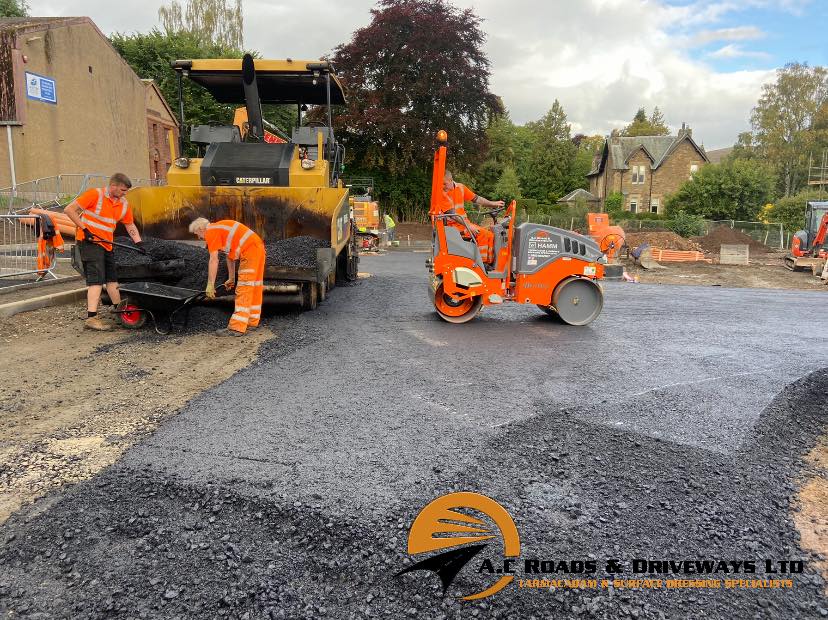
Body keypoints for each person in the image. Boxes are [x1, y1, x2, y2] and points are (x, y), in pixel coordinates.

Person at [64, 173, 143, 331]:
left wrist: (139, 242)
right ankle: (92, 318)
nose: (124, 193)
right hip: (89, 242)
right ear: (113, 186)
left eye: (126, 191)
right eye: (122, 190)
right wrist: (85, 229)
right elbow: (69, 210)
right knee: (96, 281)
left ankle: (119, 310)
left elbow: (130, 225)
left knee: (112, 279)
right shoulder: (95, 194)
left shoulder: (123, 203)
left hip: (106, 244)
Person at [189, 217, 266, 337]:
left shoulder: (211, 231)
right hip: (257, 247)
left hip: (250, 250)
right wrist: (232, 278)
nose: (199, 238)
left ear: (201, 229)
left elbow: (213, 260)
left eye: (197, 234)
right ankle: (251, 322)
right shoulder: (220, 230)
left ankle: (237, 327)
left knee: (244, 287)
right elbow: (230, 257)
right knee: (254, 286)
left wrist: (210, 285)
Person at [440, 170, 504, 263]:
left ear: (451, 180)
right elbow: (454, 216)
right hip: (453, 228)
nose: (443, 186)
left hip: (464, 224)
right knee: (484, 235)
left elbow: (477, 199)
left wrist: (493, 204)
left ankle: (489, 264)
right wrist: (469, 227)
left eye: (444, 184)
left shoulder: (461, 188)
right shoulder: (442, 194)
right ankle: (482, 264)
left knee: (490, 235)